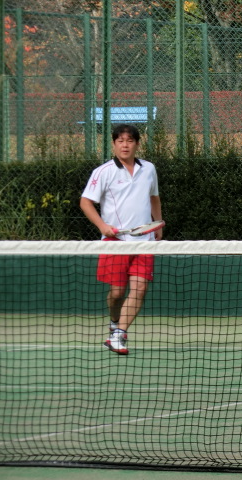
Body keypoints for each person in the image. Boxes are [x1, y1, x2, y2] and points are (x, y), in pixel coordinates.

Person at [80, 124, 163, 355]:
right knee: (117, 293)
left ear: (137, 144)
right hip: (116, 242)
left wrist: (158, 222)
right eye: (120, 141)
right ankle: (114, 322)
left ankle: (118, 335)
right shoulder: (103, 171)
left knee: (140, 288)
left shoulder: (149, 169)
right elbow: (85, 202)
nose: (125, 145)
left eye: (129, 141)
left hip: (144, 241)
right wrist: (103, 226)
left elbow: (154, 197)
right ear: (114, 144)